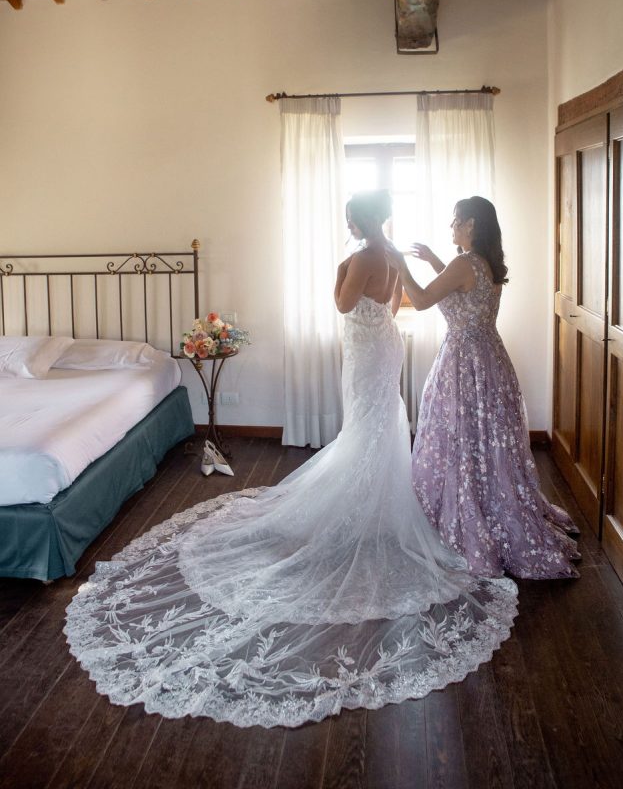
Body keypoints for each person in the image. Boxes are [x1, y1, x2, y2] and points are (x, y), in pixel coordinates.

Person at [64, 190, 518, 729]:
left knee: (366, 426)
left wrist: (340, 270)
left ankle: (357, 501)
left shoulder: (365, 257)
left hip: (367, 349)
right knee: (381, 422)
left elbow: (344, 305)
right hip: (385, 345)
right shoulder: (392, 254)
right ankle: (382, 498)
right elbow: (394, 305)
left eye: (348, 215)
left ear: (358, 219)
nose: (345, 220)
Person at [386, 195, 580, 580]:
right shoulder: (485, 262)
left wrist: (402, 266)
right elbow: (464, 290)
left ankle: (471, 508)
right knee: (487, 439)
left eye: (456, 220)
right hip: (490, 360)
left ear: (471, 224)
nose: (451, 227)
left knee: (463, 437)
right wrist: (433, 261)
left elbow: (423, 300)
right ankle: (494, 500)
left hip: (463, 362)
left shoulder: (463, 263)